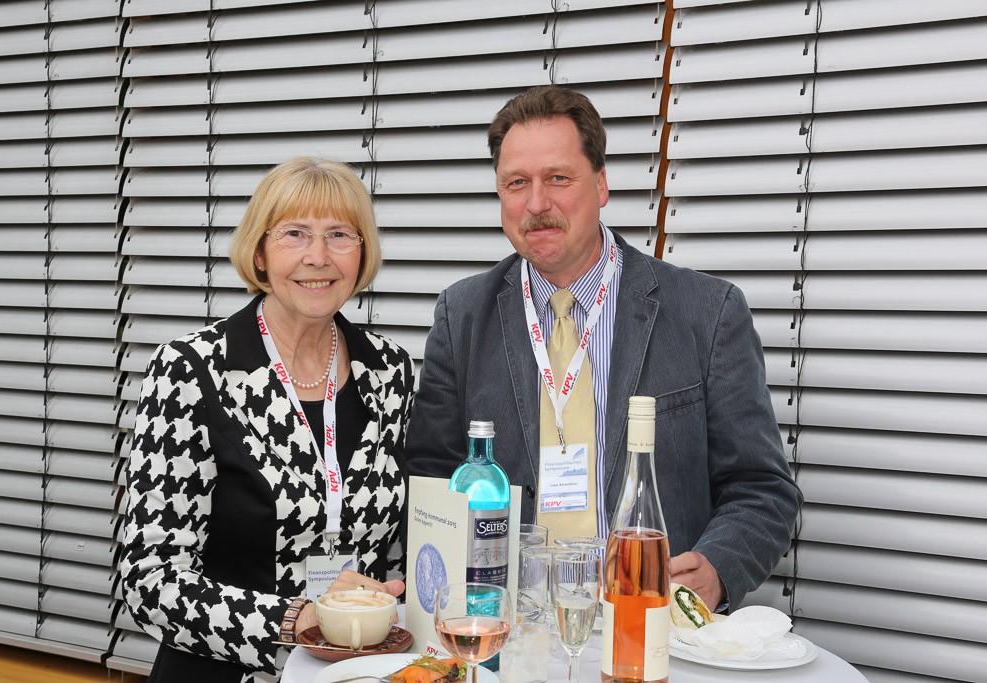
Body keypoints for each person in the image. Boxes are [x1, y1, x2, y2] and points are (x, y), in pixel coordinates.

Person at [404, 86, 803, 612]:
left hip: (650, 621)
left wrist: (717, 567)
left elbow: (761, 488)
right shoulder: (463, 317)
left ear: (602, 184)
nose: (537, 204)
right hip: (512, 626)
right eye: (517, 183)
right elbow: (430, 482)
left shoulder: (706, 313)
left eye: (558, 178)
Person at [121, 157, 416, 681]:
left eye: (339, 235)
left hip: (354, 670)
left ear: (363, 252)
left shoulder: (388, 371)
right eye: (294, 234)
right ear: (259, 252)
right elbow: (150, 579)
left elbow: (394, 548)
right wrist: (293, 620)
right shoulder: (192, 371)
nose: (318, 256)